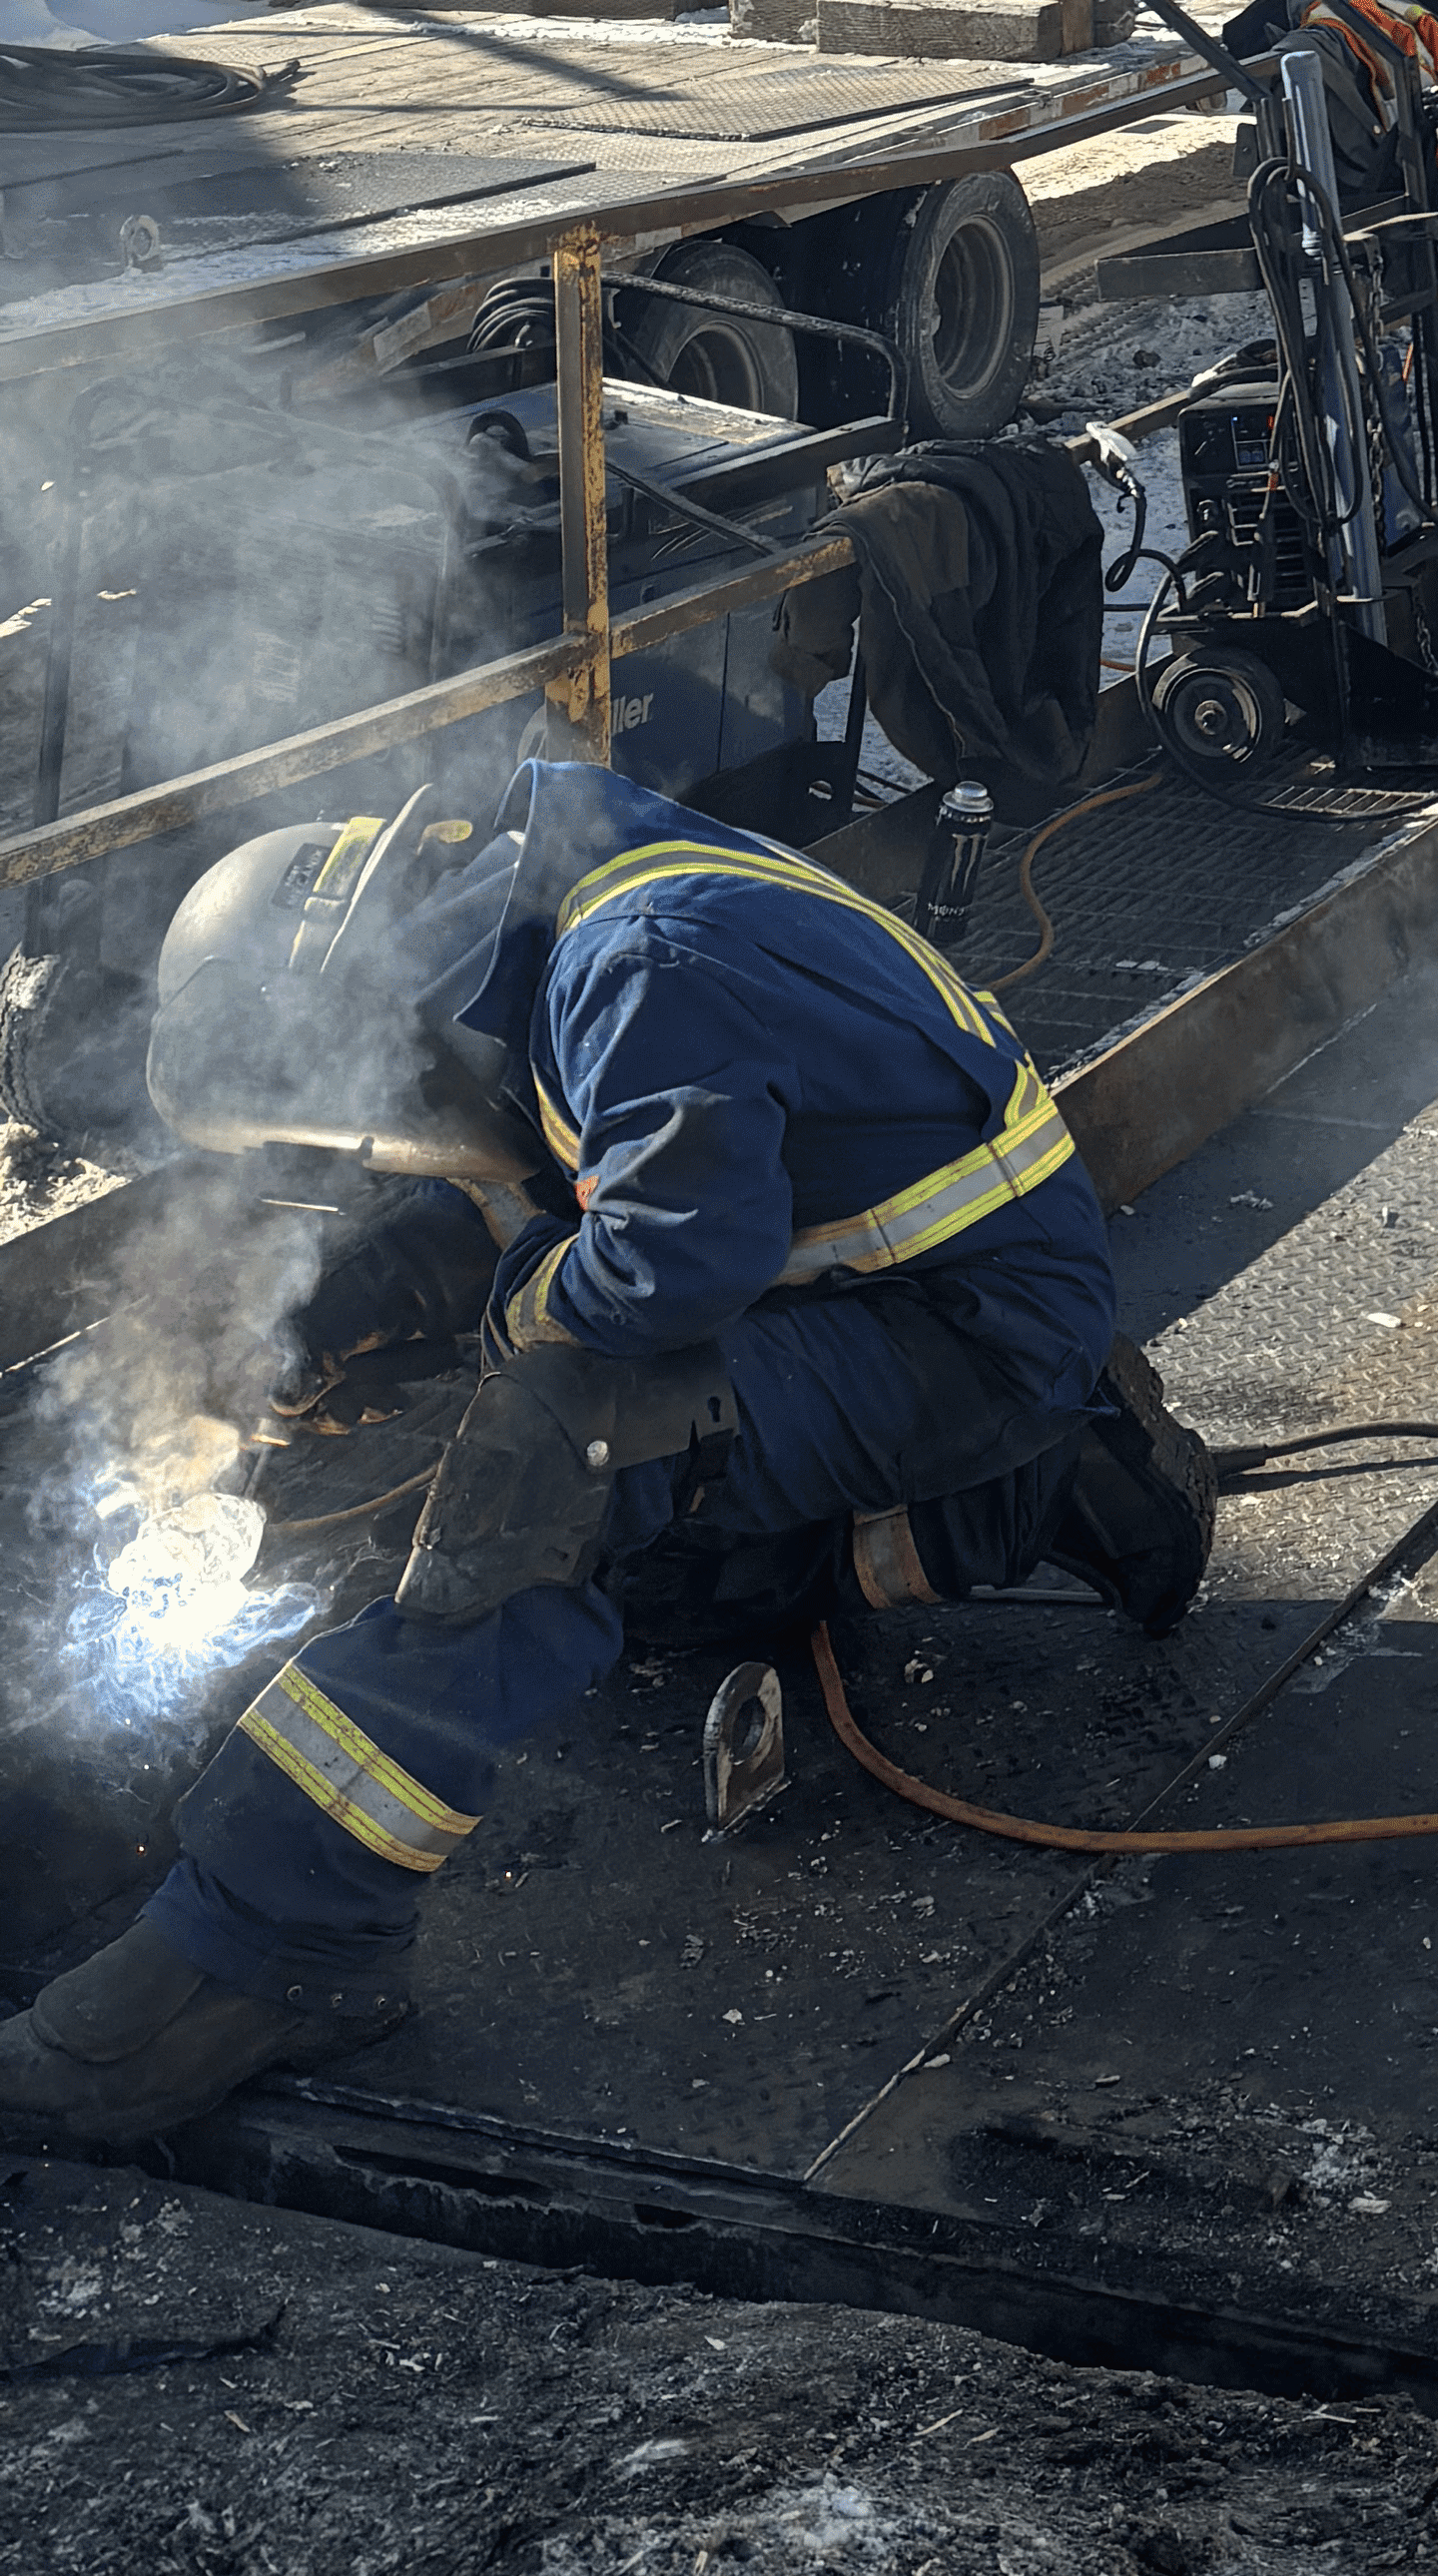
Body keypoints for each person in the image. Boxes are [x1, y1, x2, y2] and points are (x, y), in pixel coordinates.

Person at [0, 761, 1212, 2143]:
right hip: (898, 1290)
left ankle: (267, 1950)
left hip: (966, 1330)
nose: (375, 1138)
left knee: (563, 1464)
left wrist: (502, 1322)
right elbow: (586, 1163)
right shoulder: (561, 905)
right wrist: (370, 1299)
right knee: (645, 1596)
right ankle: (1038, 1487)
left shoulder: (636, 959)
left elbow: (665, 1265)